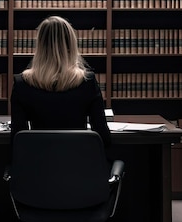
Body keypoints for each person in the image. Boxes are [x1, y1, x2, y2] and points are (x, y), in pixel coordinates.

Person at [10, 15, 111, 151]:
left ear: (40, 45)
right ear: (71, 44)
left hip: (37, 166)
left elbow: (17, 138)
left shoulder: (22, 83)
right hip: (79, 165)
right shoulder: (87, 81)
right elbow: (102, 134)